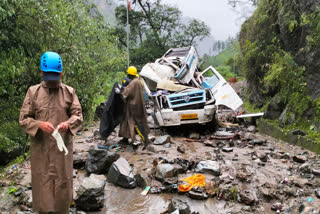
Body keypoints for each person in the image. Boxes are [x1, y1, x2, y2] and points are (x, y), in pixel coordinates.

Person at [19, 51, 83, 214]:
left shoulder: (69, 92)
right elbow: (24, 119)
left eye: (54, 75)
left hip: (62, 150)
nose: (51, 80)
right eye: (48, 75)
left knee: (62, 183)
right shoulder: (33, 92)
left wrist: (67, 124)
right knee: (43, 184)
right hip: (41, 150)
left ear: (61, 73)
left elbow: (78, 115)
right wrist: (39, 124)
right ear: (41, 73)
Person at [117, 66, 151, 150]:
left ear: (130, 74)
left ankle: (146, 141)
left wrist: (120, 90)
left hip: (133, 108)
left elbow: (127, 91)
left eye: (128, 74)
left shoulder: (134, 82)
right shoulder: (138, 81)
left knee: (136, 125)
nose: (128, 76)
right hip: (137, 106)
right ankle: (126, 139)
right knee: (127, 123)